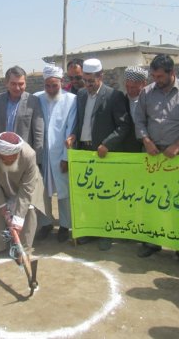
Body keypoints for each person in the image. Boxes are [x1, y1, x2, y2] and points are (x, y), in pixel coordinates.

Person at [133, 54, 179, 267]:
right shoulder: (146, 93)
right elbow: (139, 119)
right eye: (153, 75)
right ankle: (153, 242)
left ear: (172, 73)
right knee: (152, 200)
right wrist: (146, 140)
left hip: (178, 157)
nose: (156, 79)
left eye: (160, 76)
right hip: (152, 155)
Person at [68, 58, 131, 250]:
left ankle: (106, 232)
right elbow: (79, 121)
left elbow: (124, 125)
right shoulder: (80, 95)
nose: (87, 85)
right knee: (88, 195)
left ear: (100, 76)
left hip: (104, 154)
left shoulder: (114, 96)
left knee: (106, 196)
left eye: (91, 81)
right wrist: (73, 136)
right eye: (85, 81)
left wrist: (107, 144)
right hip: (84, 152)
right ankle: (92, 230)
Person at [0, 132, 45, 261]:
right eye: (4, 159)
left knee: (28, 210)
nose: (8, 162)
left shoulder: (29, 155)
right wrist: (3, 206)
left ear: (18, 153)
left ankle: (24, 250)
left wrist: (18, 220)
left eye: (13, 159)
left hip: (25, 185)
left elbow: (27, 189)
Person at [34, 66, 77, 242]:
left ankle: (65, 226)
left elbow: (71, 129)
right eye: (48, 86)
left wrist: (66, 157)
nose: (51, 89)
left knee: (64, 192)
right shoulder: (36, 98)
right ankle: (46, 223)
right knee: (42, 192)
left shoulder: (71, 100)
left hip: (61, 155)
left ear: (61, 83)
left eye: (54, 85)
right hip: (42, 155)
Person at [0, 66, 44, 165]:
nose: (17, 88)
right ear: (6, 83)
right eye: (13, 84)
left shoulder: (33, 101)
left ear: (25, 83)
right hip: (2, 155)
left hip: (24, 157)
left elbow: (38, 133)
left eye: (21, 84)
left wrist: (36, 160)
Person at [123, 66, 148, 152]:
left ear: (144, 83)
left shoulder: (151, 101)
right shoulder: (121, 101)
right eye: (127, 86)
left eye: (133, 87)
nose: (129, 90)